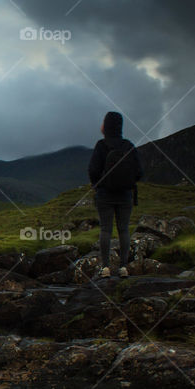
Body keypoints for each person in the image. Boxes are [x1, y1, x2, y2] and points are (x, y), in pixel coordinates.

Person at [87, 111, 143, 279]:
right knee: (123, 230)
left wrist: (97, 185)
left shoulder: (101, 145)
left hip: (105, 194)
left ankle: (105, 268)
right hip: (125, 195)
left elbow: (93, 170)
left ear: (106, 126)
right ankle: (123, 267)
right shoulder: (128, 146)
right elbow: (139, 172)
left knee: (106, 229)